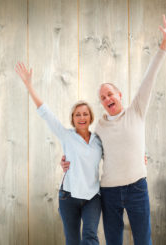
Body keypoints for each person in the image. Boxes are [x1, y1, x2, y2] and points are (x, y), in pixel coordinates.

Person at [61, 14, 166, 245]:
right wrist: (66, 161)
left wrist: (165, 43)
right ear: (101, 104)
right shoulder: (99, 125)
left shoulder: (137, 110)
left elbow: (150, 76)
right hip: (110, 191)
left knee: (143, 239)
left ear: (119, 95)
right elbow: (84, 147)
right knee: (113, 241)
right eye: (102, 98)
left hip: (137, 187)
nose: (107, 98)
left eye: (110, 94)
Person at [15, 64, 102, 245]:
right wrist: (29, 86)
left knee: (90, 238)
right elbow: (46, 113)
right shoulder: (66, 136)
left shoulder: (98, 140)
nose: (81, 117)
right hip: (68, 197)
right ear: (73, 118)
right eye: (77, 114)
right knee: (72, 240)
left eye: (85, 114)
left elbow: (116, 153)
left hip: (93, 197)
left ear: (90, 117)